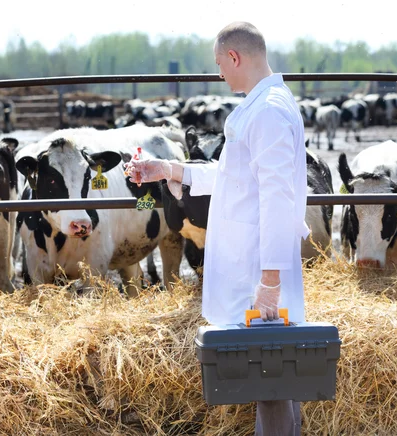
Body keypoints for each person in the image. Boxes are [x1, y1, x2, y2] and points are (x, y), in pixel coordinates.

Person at [123, 21, 309, 436]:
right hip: (253, 265)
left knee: (272, 374)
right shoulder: (261, 107)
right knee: (271, 373)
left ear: (235, 57)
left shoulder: (270, 112)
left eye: (219, 64)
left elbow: (278, 198)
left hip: (259, 269)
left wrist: (271, 278)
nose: (218, 73)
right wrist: (167, 169)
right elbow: (232, 177)